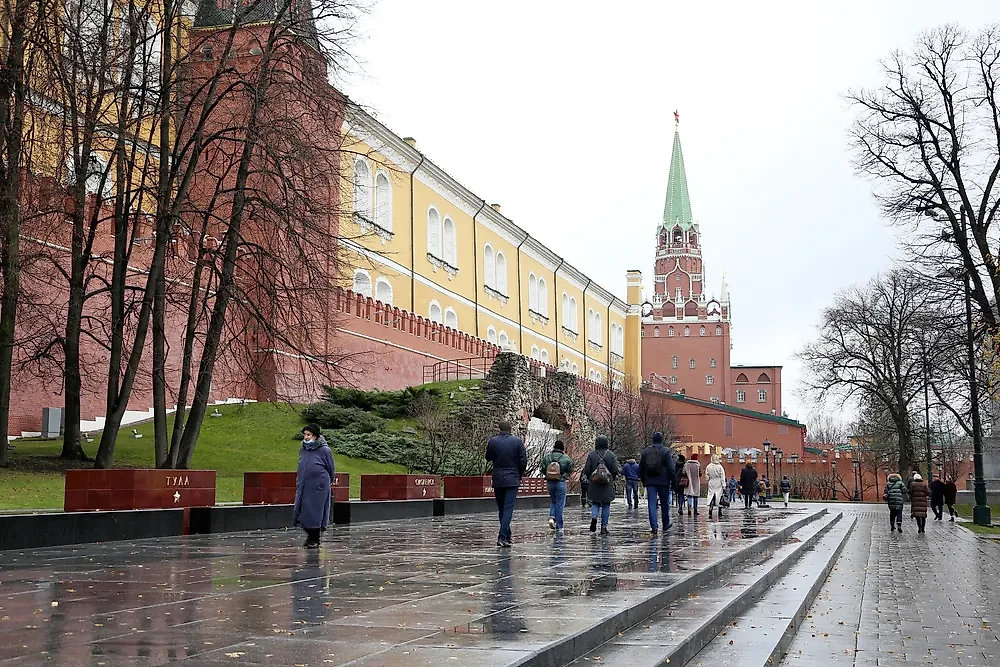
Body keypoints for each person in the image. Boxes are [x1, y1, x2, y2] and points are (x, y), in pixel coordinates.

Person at [485, 420, 528, 547]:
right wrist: (519, 473)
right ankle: (502, 537)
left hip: (498, 477)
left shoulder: (493, 441)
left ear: (499, 429)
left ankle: (507, 535)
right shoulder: (517, 442)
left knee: (502, 508)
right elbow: (523, 461)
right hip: (512, 478)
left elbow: (488, 457)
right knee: (508, 508)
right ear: (511, 430)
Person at [292, 424, 335, 549]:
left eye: (308, 435)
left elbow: (331, 468)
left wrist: (325, 482)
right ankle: (310, 536)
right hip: (305, 485)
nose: (306, 437)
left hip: (318, 486)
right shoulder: (303, 449)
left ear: (315, 436)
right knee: (304, 511)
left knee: (315, 512)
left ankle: (315, 538)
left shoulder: (324, 450)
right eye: (305, 434)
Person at [639, 432, 676, 535]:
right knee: (664, 504)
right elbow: (671, 468)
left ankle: (654, 527)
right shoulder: (666, 451)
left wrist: (643, 480)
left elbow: (641, 468)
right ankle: (665, 524)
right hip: (663, 482)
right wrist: (673, 481)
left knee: (651, 504)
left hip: (650, 481)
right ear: (662, 440)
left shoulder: (646, 451)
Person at [582, 435, 620, 536]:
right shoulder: (610, 455)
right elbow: (615, 469)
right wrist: (611, 478)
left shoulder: (592, 455)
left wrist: (591, 477)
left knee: (595, 502)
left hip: (594, 483)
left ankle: (594, 517)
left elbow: (586, 469)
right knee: (606, 504)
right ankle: (604, 527)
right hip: (607, 484)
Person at [540, 440, 574, 532]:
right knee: (560, 503)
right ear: (562, 448)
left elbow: (542, 468)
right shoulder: (566, 458)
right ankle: (559, 526)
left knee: (553, 501)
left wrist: (548, 475)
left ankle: (552, 517)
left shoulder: (547, 457)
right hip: (561, 482)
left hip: (550, 483)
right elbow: (570, 469)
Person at [705, 454, 726, 520]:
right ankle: (720, 510)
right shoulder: (720, 467)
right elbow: (722, 476)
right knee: (719, 496)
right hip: (718, 482)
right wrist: (724, 485)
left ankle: (710, 507)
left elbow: (707, 476)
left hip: (711, 482)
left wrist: (709, 479)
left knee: (711, 495)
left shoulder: (708, 466)